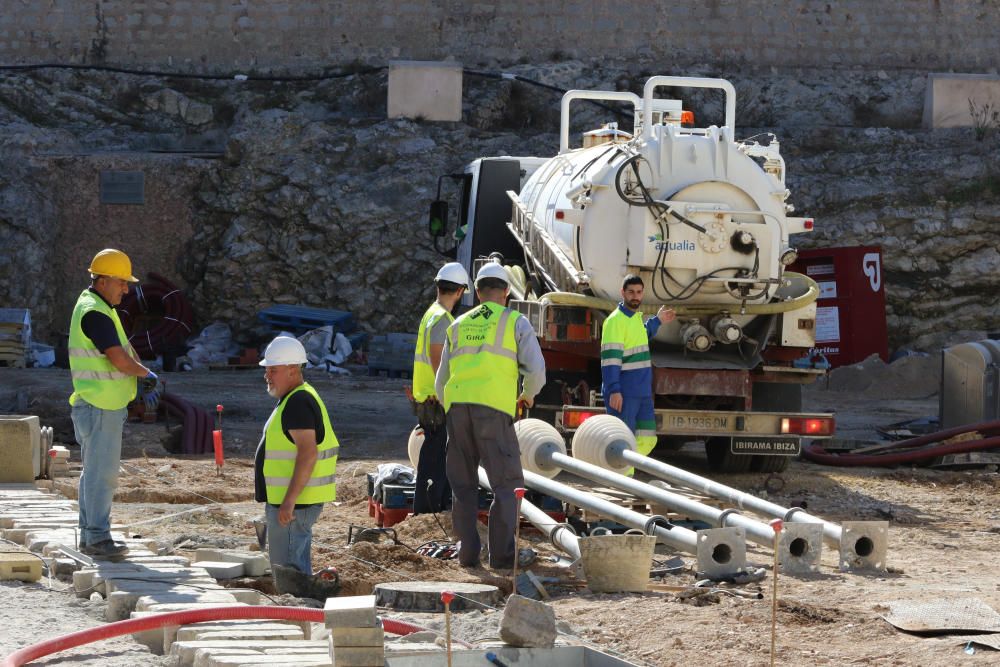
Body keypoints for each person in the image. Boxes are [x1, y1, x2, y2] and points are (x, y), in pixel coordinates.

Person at [435, 262, 546, 569]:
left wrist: (453, 409)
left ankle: (467, 555)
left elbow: (440, 382)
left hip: (457, 409)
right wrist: (527, 395)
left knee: (463, 485)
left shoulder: (457, 324)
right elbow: (536, 371)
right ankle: (501, 557)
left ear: (478, 293)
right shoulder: (515, 321)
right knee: (507, 484)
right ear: (507, 290)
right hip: (493, 411)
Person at [69, 248, 158, 558]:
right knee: (101, 473)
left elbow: (120, 354)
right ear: (104, 280)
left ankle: (91, 534)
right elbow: (119, 358)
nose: (126, 288)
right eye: (122, 282)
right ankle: (96, 537)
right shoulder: (95, 311)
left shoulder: (97, 308)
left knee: (94, 471)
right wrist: (146, 374)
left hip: (99, 404)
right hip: (100, 405)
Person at [255, 336, 339, 574]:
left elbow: (308, 453)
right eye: (267, 369)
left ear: (292, 369)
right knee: (292, 567)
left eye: (273, 369)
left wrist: (289, 501)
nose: (267, 375)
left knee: (288, 572)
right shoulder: (293, 398)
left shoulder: (298, 402)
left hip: (294, 505)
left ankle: (298, 609)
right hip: (293, 504)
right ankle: (299, 607)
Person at [410, 261, 470, 514]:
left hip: (427, 397)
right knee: (434, 460)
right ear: (459, 292)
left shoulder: (431, 313)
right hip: (436, 399)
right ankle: (428, 510)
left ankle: (432, 506)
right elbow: (438, 359)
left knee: (434, 456)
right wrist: (450, 395)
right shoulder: (443, 320)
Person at [600, 274, 675, 471]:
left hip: (641, 392)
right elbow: (610, 360)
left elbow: (640, 335)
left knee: (647, 439)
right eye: (631, 292)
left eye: (639, 292)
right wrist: (614, 390)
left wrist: (657, 321)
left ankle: (622, 472)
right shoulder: (615, 321)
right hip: (624, 393)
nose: (635, 296)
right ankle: (622, 482)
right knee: (623, 442)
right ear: (622, 293)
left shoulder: (633, 318)